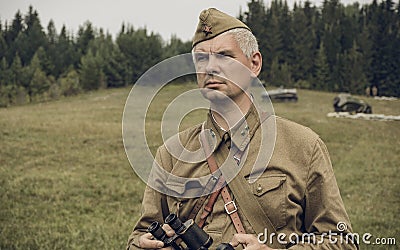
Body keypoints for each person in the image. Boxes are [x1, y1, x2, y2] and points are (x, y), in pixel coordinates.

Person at [126, 8, 357, 249]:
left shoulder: (303, 146)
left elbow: (341, 241)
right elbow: (140, 235)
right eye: (202, 59)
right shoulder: (171, 153)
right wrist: (142, 245)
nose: (210, 68)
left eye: (224, 56)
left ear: (254, 64)